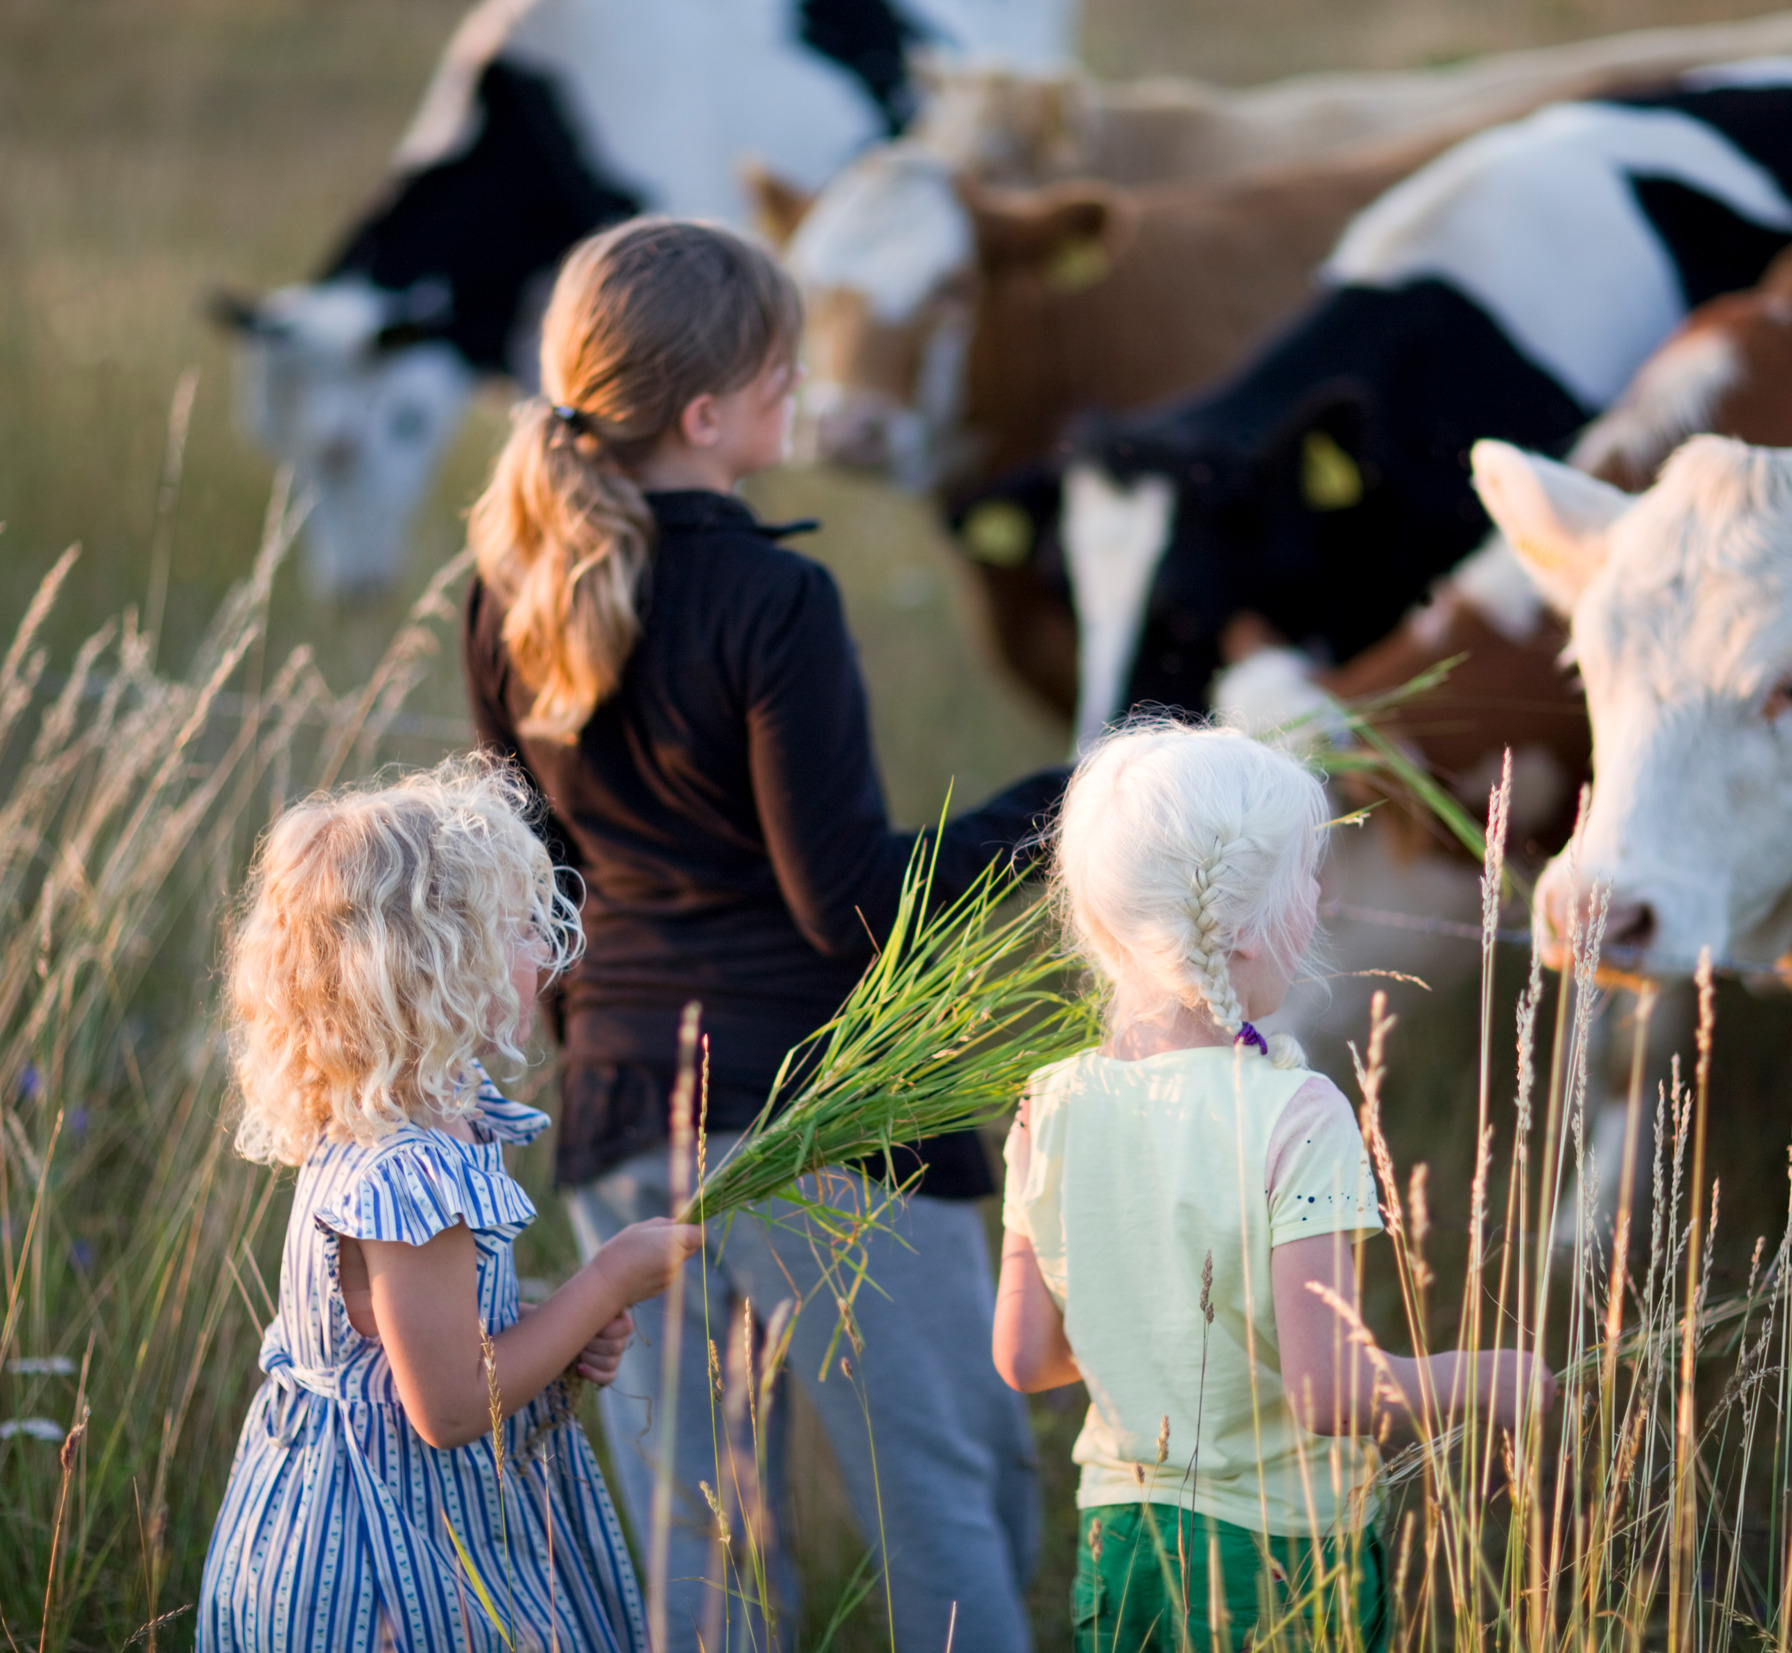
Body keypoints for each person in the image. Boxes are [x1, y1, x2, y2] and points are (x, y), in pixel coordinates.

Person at [461, 216, 1063, 1652]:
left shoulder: (508, 603)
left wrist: (617, 1061)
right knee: (945, 1495)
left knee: (699, 1533)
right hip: (821, 1112)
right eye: (778, 360)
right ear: (708, 411)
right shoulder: (776, 600)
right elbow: (850, 905)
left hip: (619, 1117)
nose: (802, 378)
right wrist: (1064, 806)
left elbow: (546, 898)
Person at [995, 724, 1550, 1650]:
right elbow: (1326, 1389)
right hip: (1276, 1554)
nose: (1324, 896)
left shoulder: (1047, 1103)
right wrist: (1484, 1379)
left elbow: (1025, 1358)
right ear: (1241, 928)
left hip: (1120, 1539)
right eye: (1305, 874)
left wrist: (1157, 1334)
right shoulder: (1298, 1115)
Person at [195, 757, 701, 1653]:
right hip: (379, 1557)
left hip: (369, 1502)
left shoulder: (424, 1112)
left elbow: (426, 1336)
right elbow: (452, 1405)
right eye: (514, 930)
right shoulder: (407, 1170)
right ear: (429, 964)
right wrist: (606, 1284)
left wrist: (552, 1322)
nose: (544, 950)